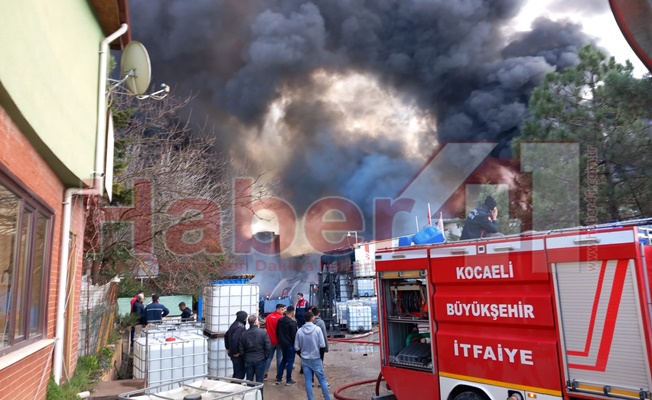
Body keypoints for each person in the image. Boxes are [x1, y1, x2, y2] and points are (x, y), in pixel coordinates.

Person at [295, 311, 330, 400]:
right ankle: (327, 398)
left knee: (308, 381)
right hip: (316, 358)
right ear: (312, 318)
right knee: (322, 380)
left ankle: (311, 398)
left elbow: (296, 347)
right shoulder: (317, 329)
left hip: (305, 359)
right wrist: (320, 357)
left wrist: (301, 355)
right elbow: (322, 345)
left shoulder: (299, 331)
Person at [239, 314, 271, 398]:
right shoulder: (263, 333)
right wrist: (265, 357)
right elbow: (268, 347)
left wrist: (245, 357)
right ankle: (260, 397)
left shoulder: (244, 334)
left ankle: (250, 398)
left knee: (249, 382)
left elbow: (241, 348)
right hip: (260, 360)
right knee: (259, 382)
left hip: (248, 360)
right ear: (256, 322)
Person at [275, 305, 297, 385]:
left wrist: (279, 343)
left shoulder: (280, 321)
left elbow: (277, 333)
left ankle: (279, 378)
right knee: (290, 362)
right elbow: (294, 336)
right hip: (290, 345)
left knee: (283, 360)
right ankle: (288, 380)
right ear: (293, 312)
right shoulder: (292, 323)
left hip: (282, 344)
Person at [224, 310, 248, 379]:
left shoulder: (234, 324)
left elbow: (226, 335)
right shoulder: (240, 327)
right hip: (237, 355)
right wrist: (235, 352)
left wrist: (228, 348)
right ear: (244, 318)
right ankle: (237, 388)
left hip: (233, 353)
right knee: (239, 374)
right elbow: (235, 339)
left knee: (236, 372)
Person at [264, 303, 285, 380]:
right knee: (279, 358)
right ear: (278, 309)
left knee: (269, 358)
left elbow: (266, 328)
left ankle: (265, 374)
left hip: (270, 341)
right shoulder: (281, 318)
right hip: (279, 342)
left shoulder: (268, 317)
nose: (283, 311)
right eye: (282, 309)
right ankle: (279, 376)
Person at [311, 307, 330, 387]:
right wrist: (325, 347)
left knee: (311, 364)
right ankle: (321, 382)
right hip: (319, 346)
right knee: (319, 364)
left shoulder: (308, 322)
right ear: (318, 313)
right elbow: (324, 335)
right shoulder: (321, 322)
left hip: (310, 346)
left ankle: (311, 382)